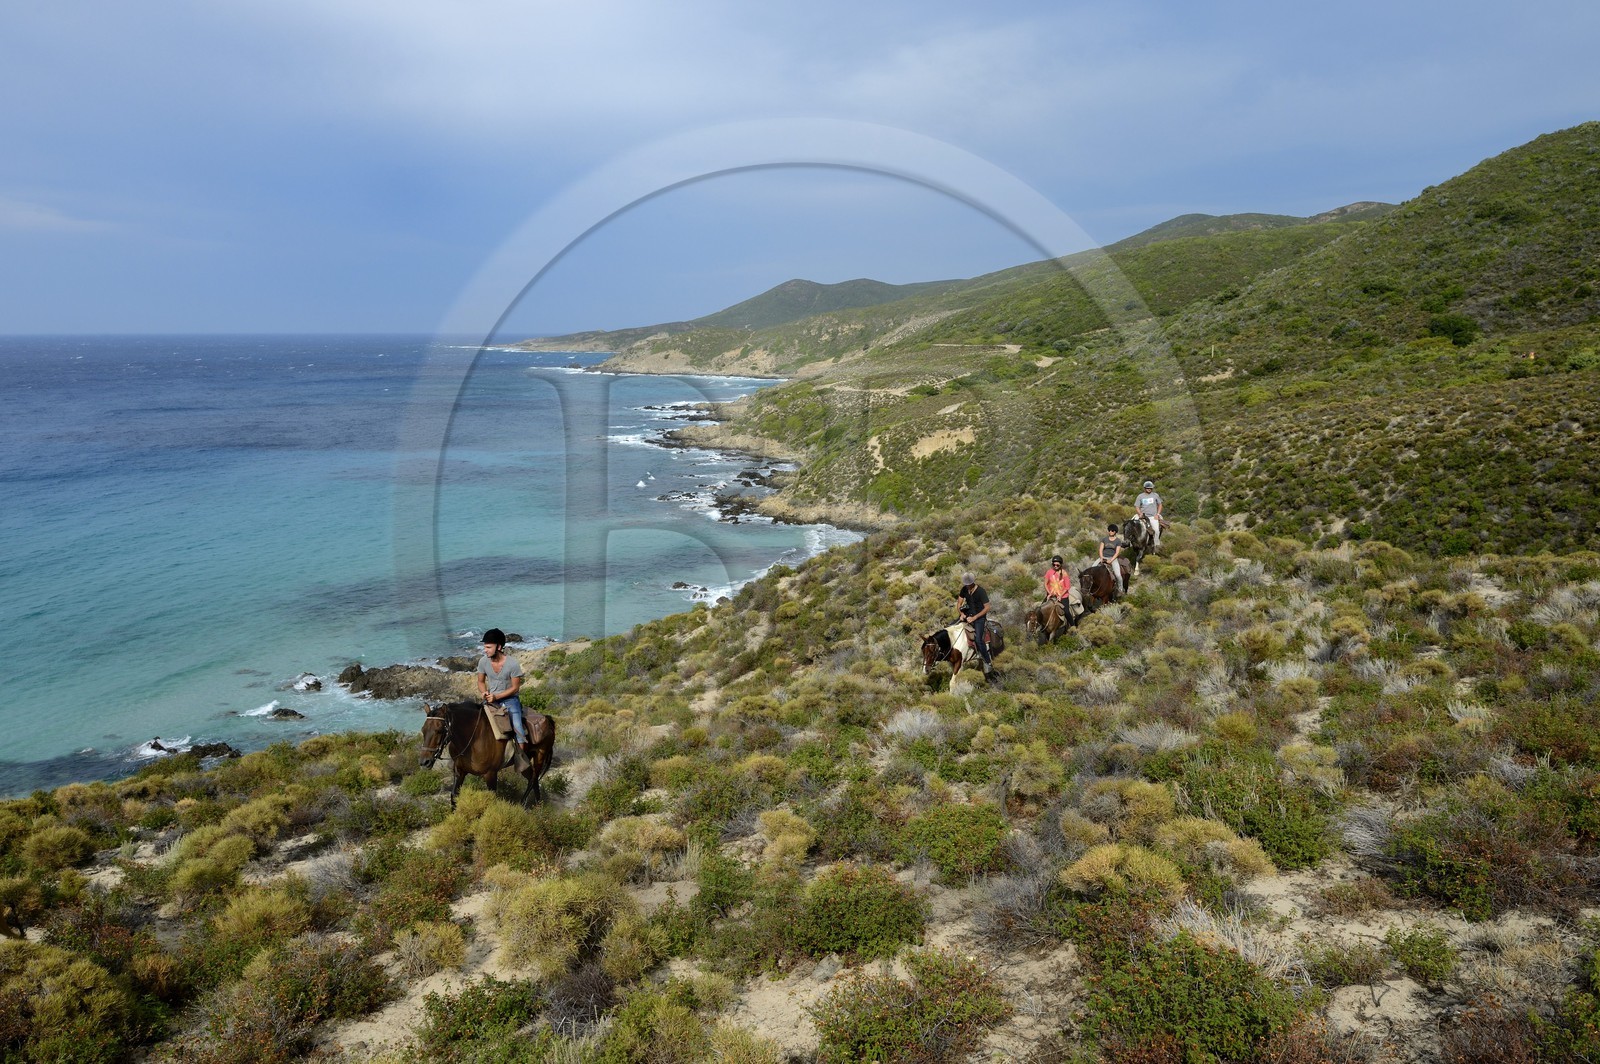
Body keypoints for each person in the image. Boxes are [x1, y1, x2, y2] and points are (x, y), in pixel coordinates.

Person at [475, 628, 530, 757]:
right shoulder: (483, 661)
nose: (485, 650)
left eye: (488, 647)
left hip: (510, 700)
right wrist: (484, 692)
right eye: (485, 647)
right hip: (490, 699)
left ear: (499, 647)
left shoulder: (512, 664)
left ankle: (521, 759)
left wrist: (497, 696)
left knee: (518, 727)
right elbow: (480, 682)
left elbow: (515, 688)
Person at [955, 573, 995, 672]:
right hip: (968, 614)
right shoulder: (964, 589)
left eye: (969, 584)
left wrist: (974, 618)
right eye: (966, 584)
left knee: (978, 640)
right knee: (952, 626)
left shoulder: (981, 591)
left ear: (973, 583)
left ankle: (987, 661)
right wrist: (961, 614)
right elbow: (959, 603)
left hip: (979, 617)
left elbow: (987, 607)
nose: (967, 586)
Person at [1135, 480, 1165, 550]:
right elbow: (1137, 506)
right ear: (1144, 488)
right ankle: (1130, 543)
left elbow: (1160, 504)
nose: (1149, 489)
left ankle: (1156, 544)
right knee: (1131, 525)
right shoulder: (1140, 496)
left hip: (1152, 516)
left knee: (1156, 530)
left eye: (1150, 488)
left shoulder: (1155, 495)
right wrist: (1140, 513)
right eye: (1148, 488)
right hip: (1143, 516)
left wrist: (1157, 514)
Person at [1098, 524, 1126, 597]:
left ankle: (1120, 589)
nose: (1110, 532)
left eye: (1112, 530)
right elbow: (1100, 549)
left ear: (1115, 532)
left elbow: (1117, 552)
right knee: (1092, 568)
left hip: (1112, 558)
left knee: (1118, 575)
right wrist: (1101, 558)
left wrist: (1111, 560)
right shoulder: (1104, 539)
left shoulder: (1118, 541)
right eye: (1109, 530)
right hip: (1103, 557)